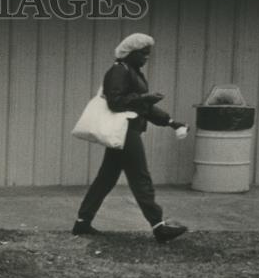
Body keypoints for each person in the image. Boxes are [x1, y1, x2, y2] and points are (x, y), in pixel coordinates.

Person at [72, 33, 189, 243]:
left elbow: (141, 106)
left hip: (125, 130)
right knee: (140, 177)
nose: (146, 58)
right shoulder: (119, 71)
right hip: (125, 131)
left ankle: (82, 223)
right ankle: (158, 226)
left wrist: (171, 122)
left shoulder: (130, 71)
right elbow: (116, 103)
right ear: (131, 53)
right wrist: (144, 98)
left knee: (105, 180)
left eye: (147, 54)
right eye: (143, 54)